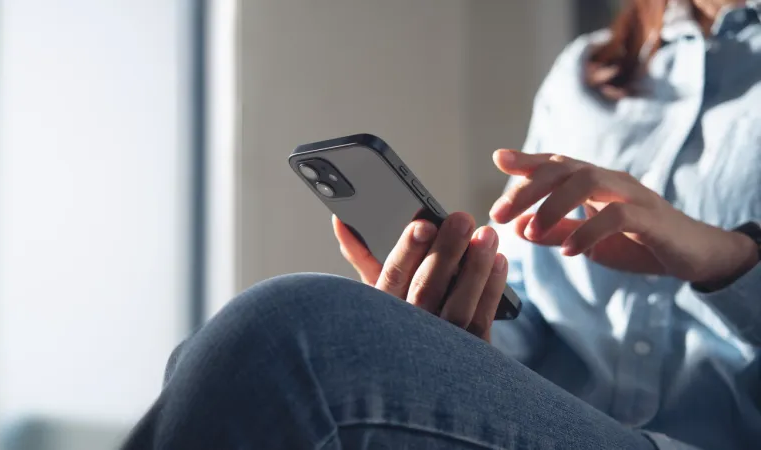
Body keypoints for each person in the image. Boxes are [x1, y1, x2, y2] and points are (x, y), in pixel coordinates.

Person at [123, 0, 761, 449]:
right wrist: (450, 323)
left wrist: (731, 260)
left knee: (291, 336)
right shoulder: (586, 75)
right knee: (216, 362)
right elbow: (533, 320)